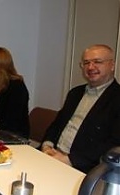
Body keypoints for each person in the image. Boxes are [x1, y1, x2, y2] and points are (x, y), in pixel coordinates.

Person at [41, 44, 120, 173]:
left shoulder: (117, 98)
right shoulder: (75, 93)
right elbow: (57, 124)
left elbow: (114, 145)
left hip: (84, 168)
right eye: (86, 63)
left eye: (97, 62)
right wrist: (47, 145)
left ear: (112, 65)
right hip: (53, 156)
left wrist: (70, 160)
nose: (90, 67)